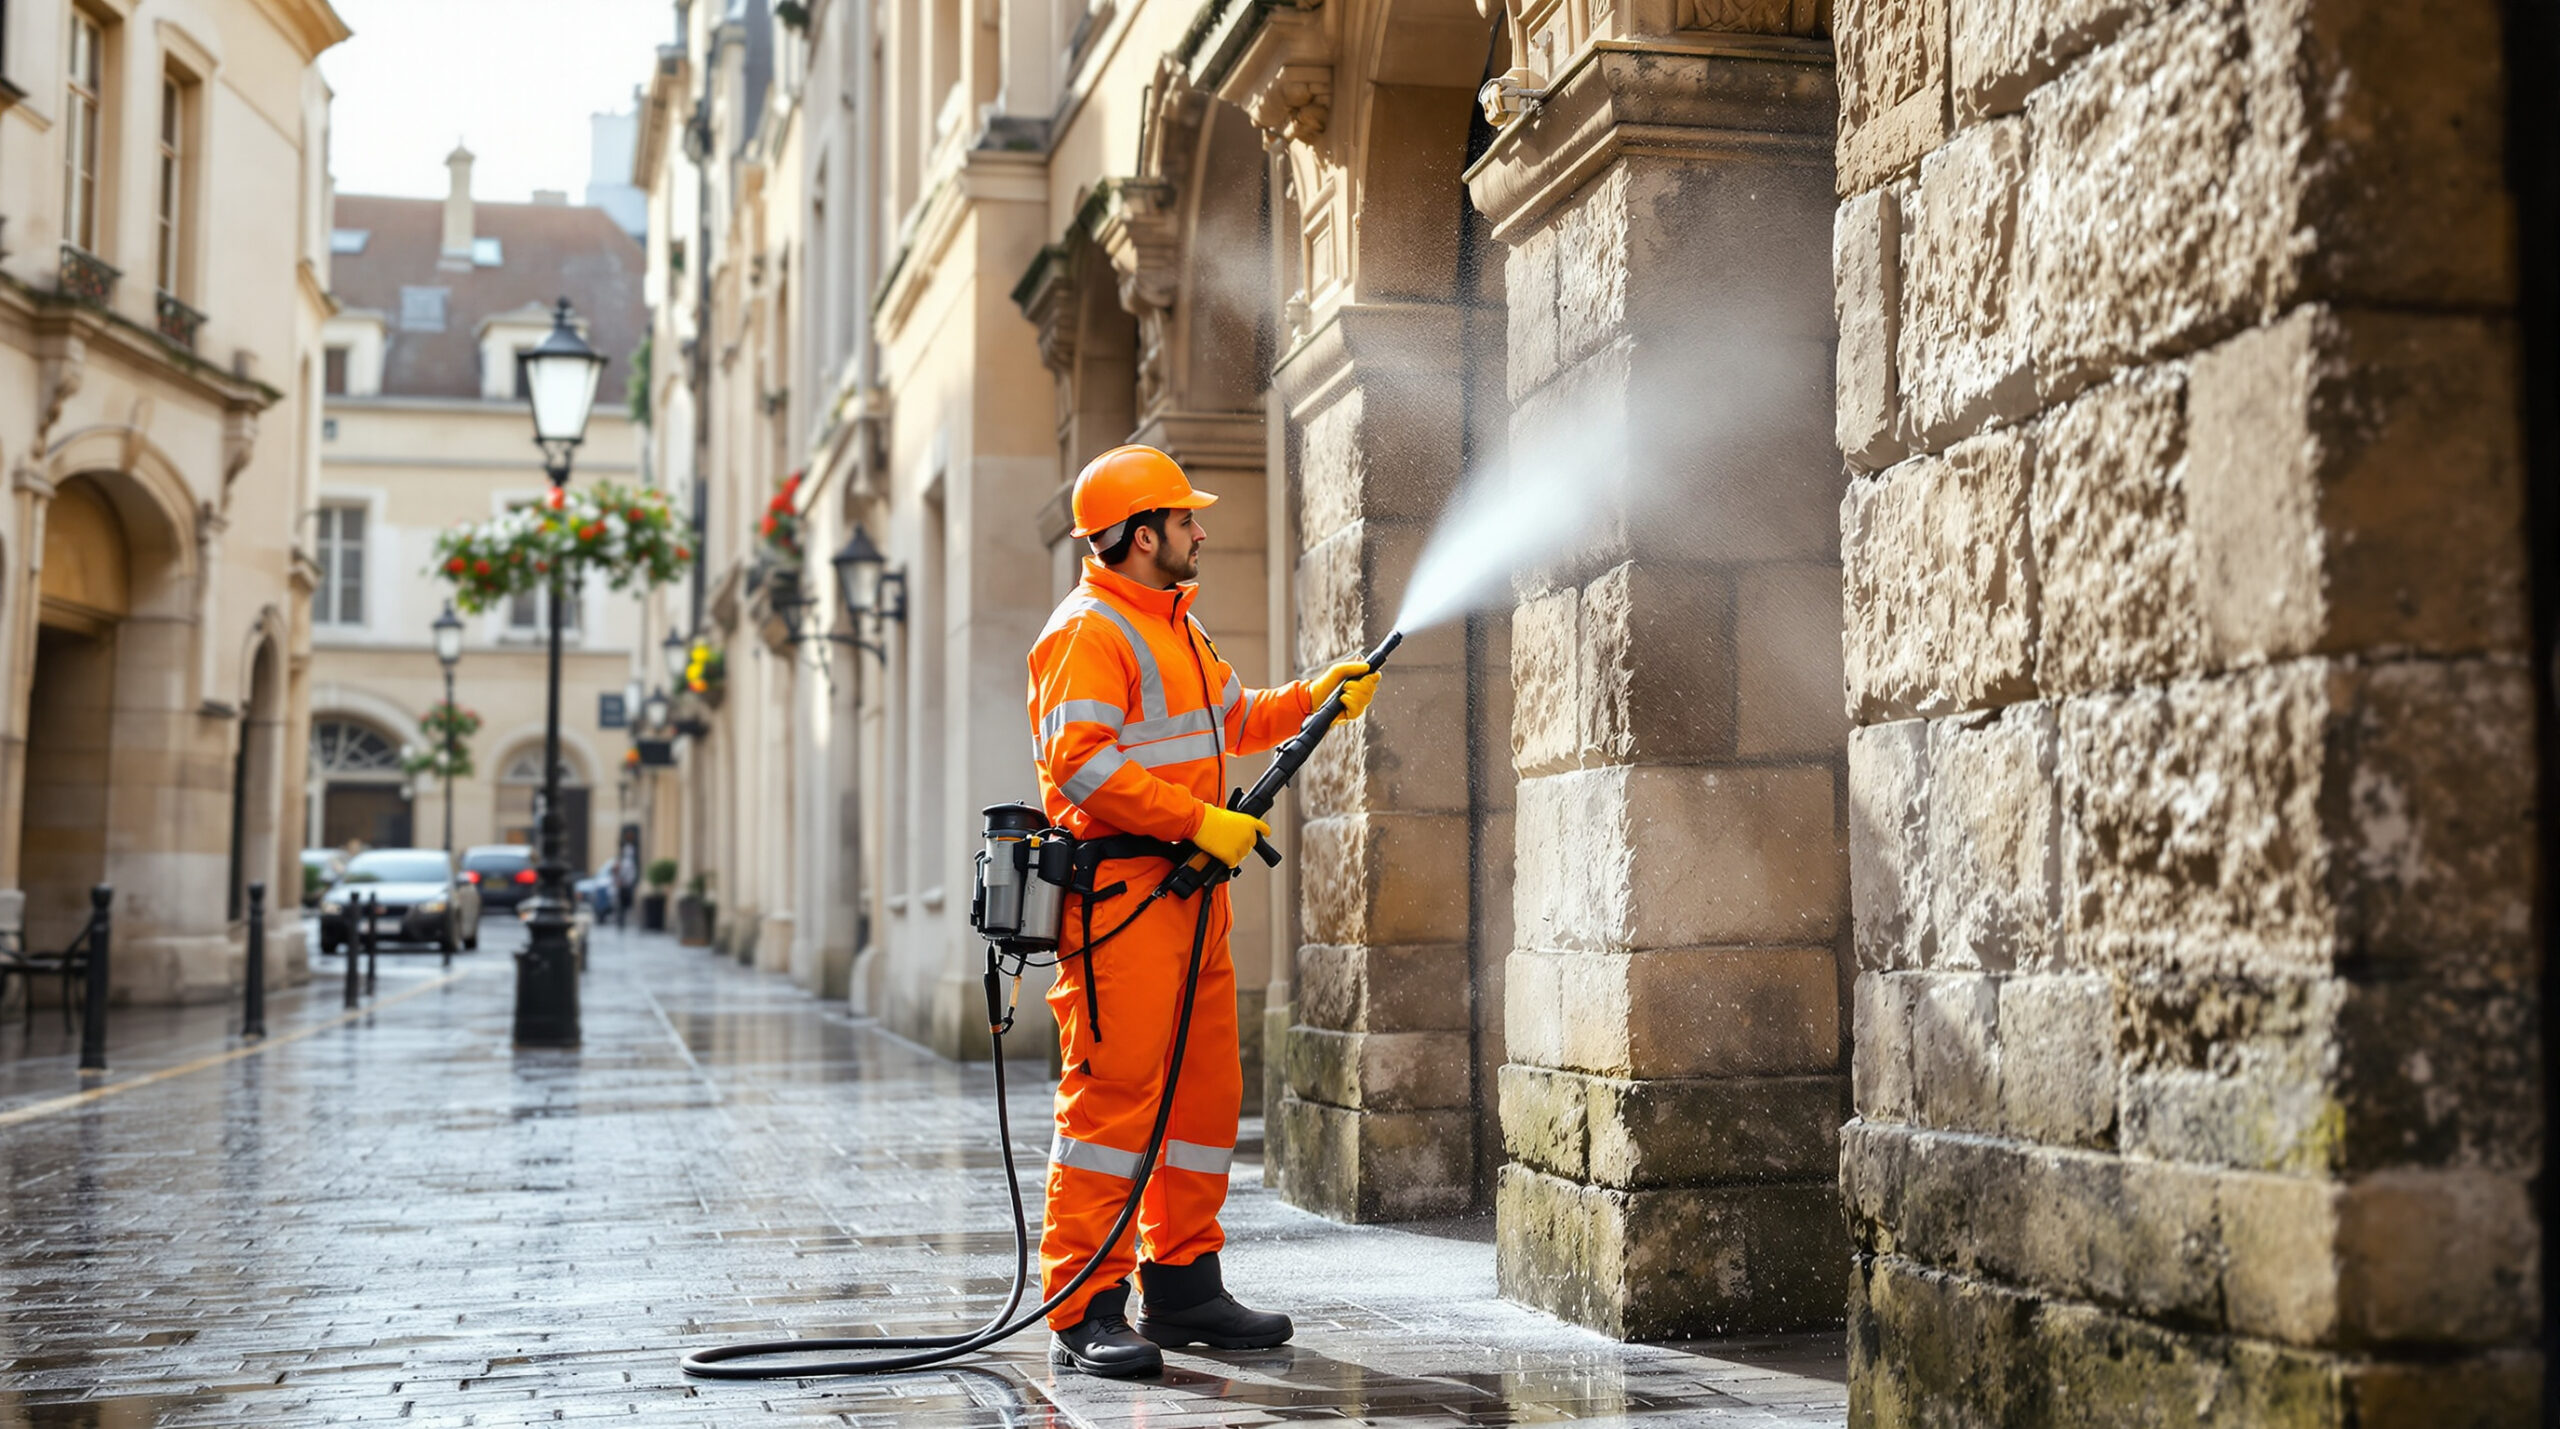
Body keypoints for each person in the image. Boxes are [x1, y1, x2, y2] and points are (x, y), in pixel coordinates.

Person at [1026, 445, 1381, 1379]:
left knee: (1200, 1099)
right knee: (1113, 1109)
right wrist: (1196, 818)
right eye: (1185, 519)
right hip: (1122, 907)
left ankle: (1181, 1286)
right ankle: (1084, 1306)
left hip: (1188, 900)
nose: (1200, 529)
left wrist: (1319, 696)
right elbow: (1081, 762)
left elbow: (1236, 718)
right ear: (1143, 535)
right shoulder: (1089, 631)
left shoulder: (1177, 624)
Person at [613, 842, 638, 929]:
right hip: (624, 886)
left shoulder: (626, 862)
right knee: (622, 905)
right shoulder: (627, 862)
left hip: (624, 886)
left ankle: (621, 921)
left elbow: (627, 874)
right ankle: (621, 921)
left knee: (623, 905)